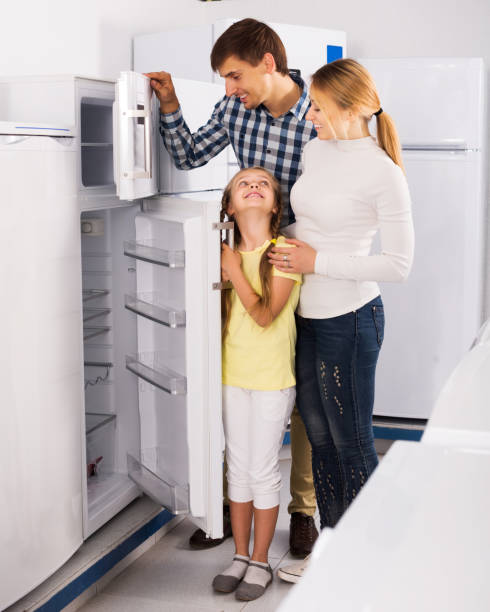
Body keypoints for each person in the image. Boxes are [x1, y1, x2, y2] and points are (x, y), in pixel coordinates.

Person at [146, 18, 318, 556]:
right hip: (244, 253)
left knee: (298, 392)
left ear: (269, 63)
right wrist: (170, 105)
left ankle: (301, 509)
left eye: (235, 76)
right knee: (232, 376)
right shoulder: (232, 110)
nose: (230, 90)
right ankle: (227, 502)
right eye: (224, 79)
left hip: (300, 257)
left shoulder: (318, 113)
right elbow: (190, 155)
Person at [268, 58, 415, 583]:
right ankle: (333, 550)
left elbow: (399, 265)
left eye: (319, 107)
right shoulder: (316, 149)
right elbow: (313, 218)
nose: (309, 115)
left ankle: (380, 555)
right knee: (322, 441)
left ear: (352, 111)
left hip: (350, 320)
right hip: (308, 314)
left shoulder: (383, 172)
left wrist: (316, 262)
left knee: (351, 442)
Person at [211, 166, 301, 601]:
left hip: (270, 381)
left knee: (263, 470)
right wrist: (226, 265)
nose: (252, 185)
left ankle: (262, 560)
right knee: (238, 469)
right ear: (230, 204)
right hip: (231, 376)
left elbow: (265, 317)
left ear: (274, 205)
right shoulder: (221, 253)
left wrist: (234, 272)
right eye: (243, 182)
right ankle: (240, 555)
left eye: (262, 183)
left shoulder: (284, 253)